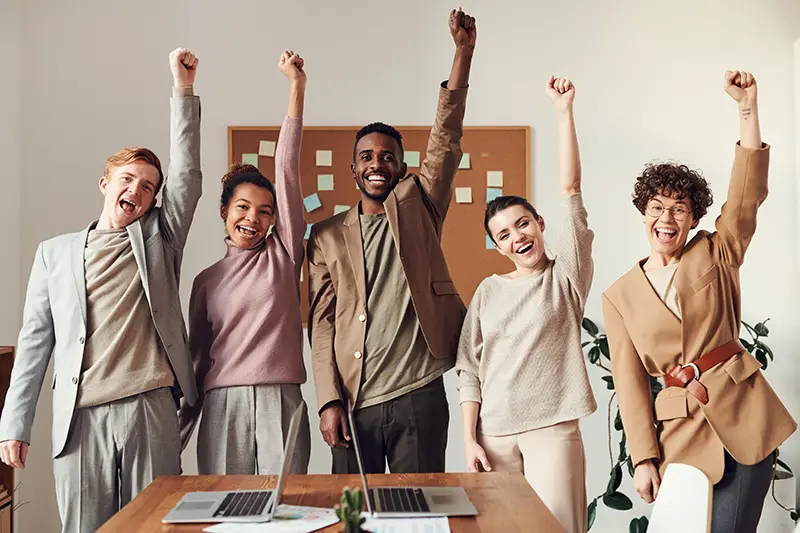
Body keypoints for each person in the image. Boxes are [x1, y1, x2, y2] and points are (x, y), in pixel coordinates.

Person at [0, 48, 202, 532]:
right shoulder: (55, 253)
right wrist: (14, 424)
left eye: (149, 186)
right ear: (105, 183)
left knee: (155, 525)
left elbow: (189, 177)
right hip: (81, 415)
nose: (138, 189)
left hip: (150, 406)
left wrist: (183, 89)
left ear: (155, 200)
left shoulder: (160, 239)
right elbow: (34, 343)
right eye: (128, 179)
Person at [602, 70, 796, 533]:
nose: (666, 218)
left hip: (743, 414)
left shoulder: (717, 250)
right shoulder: (618, 295)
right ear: (643, 213)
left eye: (679, 209)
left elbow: (746, 197)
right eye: (656, 207)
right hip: (679, 432)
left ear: (693, 219)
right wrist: (643, 457)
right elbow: (629, 386)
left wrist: (746, 109)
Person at [306, 7, 476, 474]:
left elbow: (446, 137)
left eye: (387, 157)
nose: (376, 163)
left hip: (418, 392)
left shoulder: (420, 204)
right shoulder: (324, 237)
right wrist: (327, 401)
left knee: (417, 514)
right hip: (353, 399)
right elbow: (321, 325)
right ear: (353, 169)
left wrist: (463, 54)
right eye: (366, 157)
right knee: (351, 515)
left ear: (402, 168)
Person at [456, 76, 595, 533]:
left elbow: (571, 190)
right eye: (504, 234)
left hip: (552, 431)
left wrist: (563, 114)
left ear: (539, 223)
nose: (518, 237)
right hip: (493, 436)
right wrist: (469, 437)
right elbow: (469, 369)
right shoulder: (488, 291)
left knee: (557, 530)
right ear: (497, 246)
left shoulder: (565, 277)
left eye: (523, 224)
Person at [178, 50, 310, 475]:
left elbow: (286, 169)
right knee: (224, 510)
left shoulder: (285, 255)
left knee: (287, 509)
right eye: (242, 207)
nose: (253, 218)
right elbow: (197, 361)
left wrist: (295, 88)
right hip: (221, 405)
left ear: (275, 219)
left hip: (281, 399)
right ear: (224, 211)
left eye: (265, 211)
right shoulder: (206, 281)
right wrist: (177, 434)